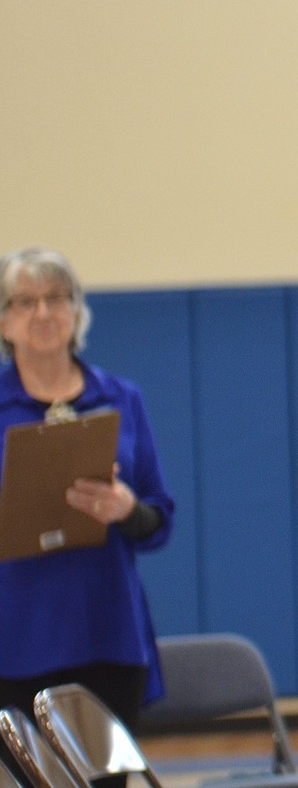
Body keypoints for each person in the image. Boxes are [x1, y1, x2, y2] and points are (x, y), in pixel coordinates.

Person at [0, 246, 175, 738]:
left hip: (106, 629)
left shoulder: (121, 398)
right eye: (24, 301)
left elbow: (159, 519)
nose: (43, 312)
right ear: (4, 323)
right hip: (16, 636)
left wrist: (126, 509)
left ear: (77, 312)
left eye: (57, 298)